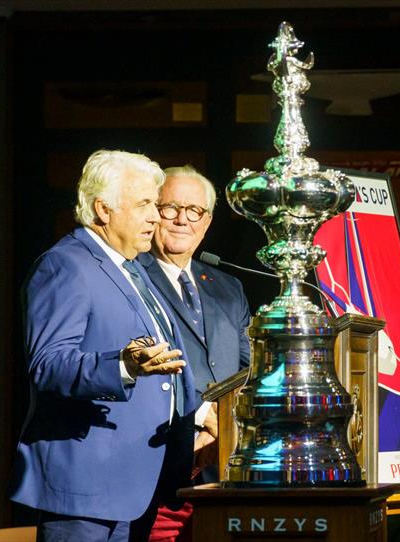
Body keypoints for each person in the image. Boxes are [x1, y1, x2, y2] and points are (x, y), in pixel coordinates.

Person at [8, 150, 199, 542]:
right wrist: (124, 367)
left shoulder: (132, 269)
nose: (155, 217)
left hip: (140, 486)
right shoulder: (65, 265)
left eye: (155, 204)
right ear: (103, 209)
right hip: (89, 490)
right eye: (145, 204)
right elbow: (49, 363)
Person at [138, 165, 250, 541]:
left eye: (194, 211)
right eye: (170, 208)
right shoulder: (130, 278)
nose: (182, 219)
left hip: (224, 470)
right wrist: (201, 419)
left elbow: (249, 370)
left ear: (207, 221)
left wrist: (225, 428)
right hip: (158, 468)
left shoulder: (228, 286)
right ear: (153, 212)